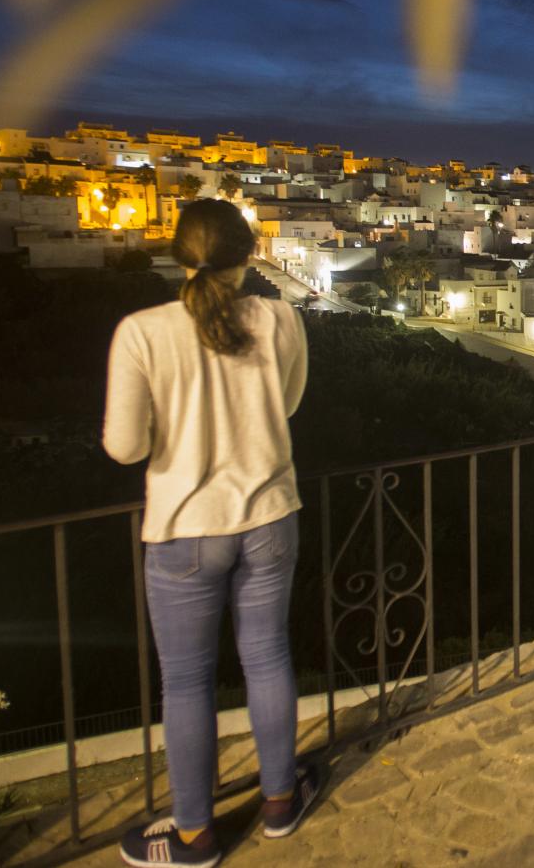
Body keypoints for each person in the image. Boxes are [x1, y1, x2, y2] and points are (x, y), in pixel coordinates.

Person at [103, 199, 320, 867]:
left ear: (176, 255)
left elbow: (124, 446)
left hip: (186, 529)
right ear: (249, 255)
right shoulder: (279, 318)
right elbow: (286, 403)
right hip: (270, 515)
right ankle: (280, 801)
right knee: (268, 656)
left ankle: (195, 834)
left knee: (188, 681)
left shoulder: (141, 332)